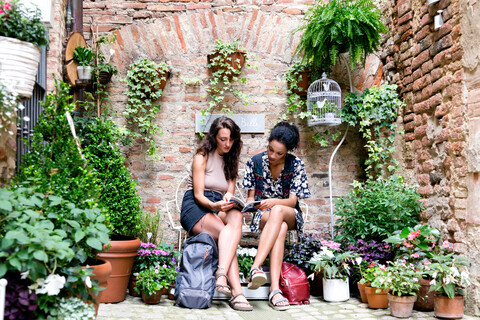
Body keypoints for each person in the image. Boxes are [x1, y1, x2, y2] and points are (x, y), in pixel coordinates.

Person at [179, 117, 253, 311]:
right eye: (222, 139)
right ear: (213, 138)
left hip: (219, 205)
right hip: (197, 206)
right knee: (226, 235)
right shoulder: (201, 157)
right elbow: (198, 194)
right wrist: (214, 205)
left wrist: (227, 201)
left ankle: (221, 273)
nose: (227, 144)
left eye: (231, 139)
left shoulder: (231, 159)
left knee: (236, 217)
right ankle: (237, 292)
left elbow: (229, 190)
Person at [242, 121, 311, 311]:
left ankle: (255, 267)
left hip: (289, 212)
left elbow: (291, 201)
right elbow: (250, 199)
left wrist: (273, 202)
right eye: (270, 149)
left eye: (279, 153)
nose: (273, 155)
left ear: (287, 152)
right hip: (263, 214)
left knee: (279, 212)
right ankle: (274, 290)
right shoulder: (255, 162)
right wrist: (250, 204)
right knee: (279, 227)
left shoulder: (295, 164)